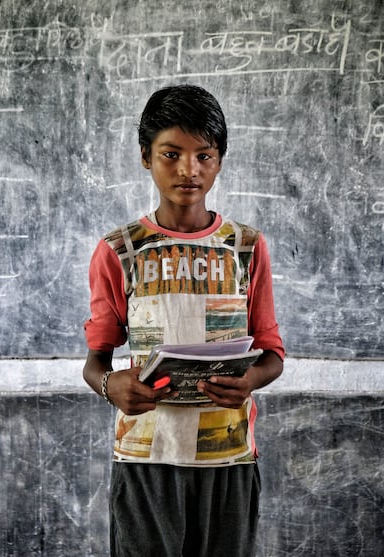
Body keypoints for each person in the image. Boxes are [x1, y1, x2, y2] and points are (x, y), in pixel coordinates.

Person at [83, 84, 285, 557]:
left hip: (228, 457)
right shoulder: (120, 250)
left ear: (219, 160)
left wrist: (251, 379)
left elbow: (273, 354)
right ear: (145, 157)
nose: (188, 170)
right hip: (146, 458)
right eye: (171, 153)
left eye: (204, 155)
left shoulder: (247, 247)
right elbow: (96, 363)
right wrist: (111, 384)